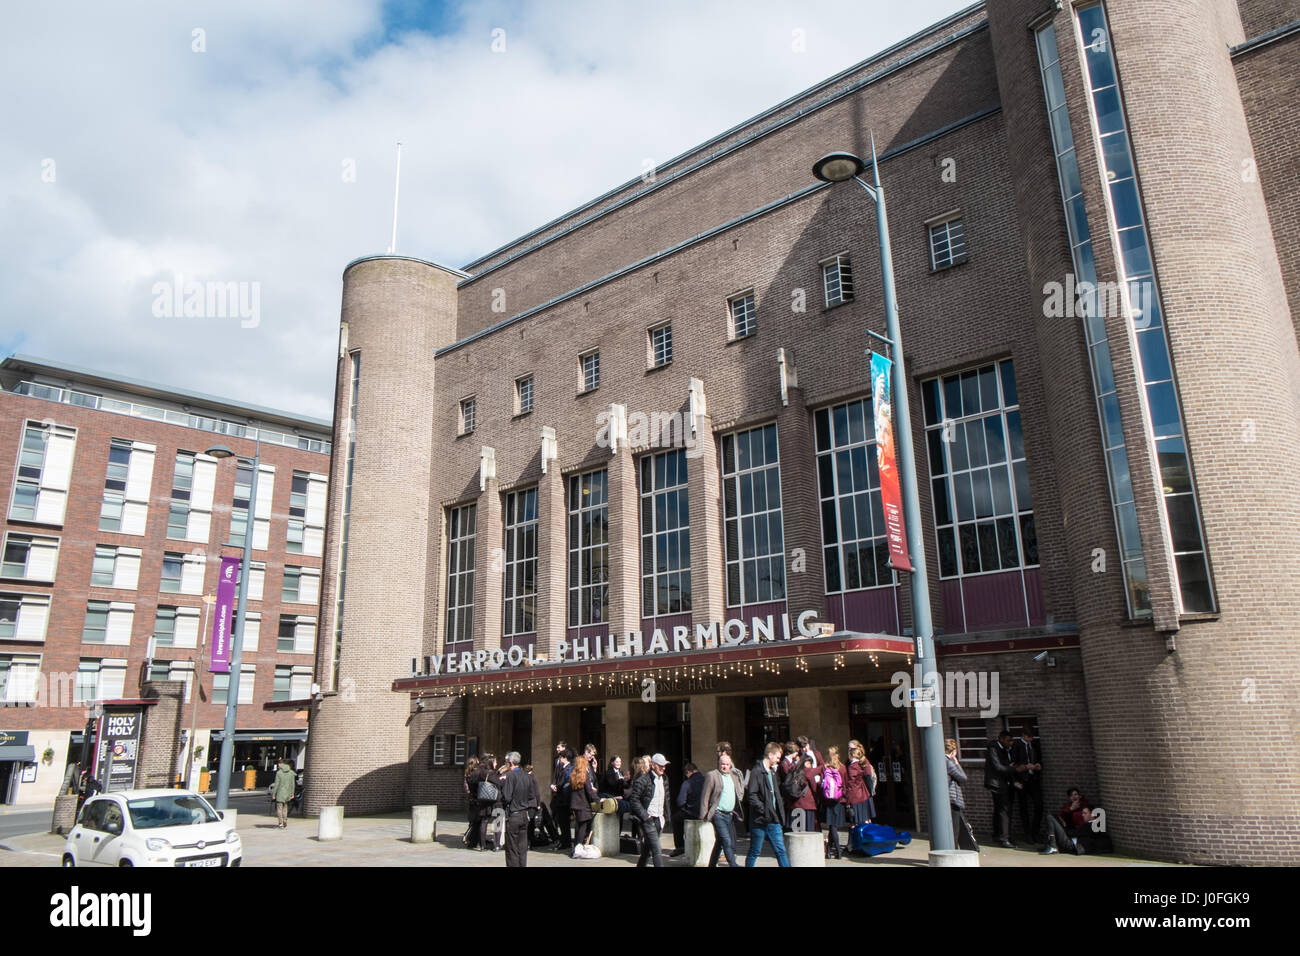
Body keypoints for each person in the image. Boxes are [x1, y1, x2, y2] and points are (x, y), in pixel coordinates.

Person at [745, 742, 791, 867]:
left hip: (773, 819)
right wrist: (764, 810)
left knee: (781, 851)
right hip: (760, 820)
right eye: (777, 757)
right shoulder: (757, 772)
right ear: (770, 755)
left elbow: (775, 794)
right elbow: (752, 795)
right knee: (755, 851)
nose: (778, 760)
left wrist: (778, 814)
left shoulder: (772, 772)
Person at [700, 752, 745, 867]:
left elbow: (738, 792)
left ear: (730, 765)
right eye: (722, 764)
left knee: (719, 842)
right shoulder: (712, 775)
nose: (724, 766)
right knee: (726, 840)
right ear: (718, 764)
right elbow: (705, 795)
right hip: (718, 813)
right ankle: (733, 864)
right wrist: (703, 815)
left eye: (727, 764)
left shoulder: (733, 776)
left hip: (729, 815)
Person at [628, 753, 671, 867]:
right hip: (648, 819)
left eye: (664, 765)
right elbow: (634, 800)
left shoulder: (664, 779)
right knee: (657, 850)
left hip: (659, 819)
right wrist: (645, 816)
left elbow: (666, 799)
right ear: (653, 765)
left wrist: (667, 817)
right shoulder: (643, 780)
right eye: (660, 765)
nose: (663, 768)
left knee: (646, 851)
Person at [501, 751, 537, 867]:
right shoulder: (527, 776)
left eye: (506, 763)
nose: (505, 765)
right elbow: (532, 796)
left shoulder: (510, 776)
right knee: (522, 847)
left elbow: (507, 797)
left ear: (511, 763)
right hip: (524, 815)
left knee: (512, 848)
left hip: (514, 815)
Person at [1011, 727, 1044, 845]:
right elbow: (1013, 764)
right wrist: (1025, 766)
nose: (1031, 740)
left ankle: (1035, 832)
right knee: (1023, 807)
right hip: (1022, 780)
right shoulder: (1016, 746)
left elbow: (1039, 758)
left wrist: (1038, 765)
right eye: (1029, 737)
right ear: (1024, 736)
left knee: (1039, 805)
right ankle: (1028, 834)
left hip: (1033, 778)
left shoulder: (1034, 744)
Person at [946, 738, 978, 852]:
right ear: (954, 751)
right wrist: (957, 762)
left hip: (948, 798)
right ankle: (953, 850)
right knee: (955, 828)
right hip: (952, 798)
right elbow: (963, 777)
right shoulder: (948, 762)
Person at [985, 730, 1016, 848]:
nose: (1011, 743)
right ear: (1001, 739)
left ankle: (998, 835)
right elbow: (998, 767)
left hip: (1003, 783)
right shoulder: (994, 749)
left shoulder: (1004, 749)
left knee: (999, 809)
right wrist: (1013, 769)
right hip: (997, 784)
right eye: (1008, 741)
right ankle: (1004, 838)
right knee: (1004, 810)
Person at [672, 762, 705, 857]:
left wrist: (685, 807)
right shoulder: (706, 779)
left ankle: (680, 846)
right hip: (705, 812)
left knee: (675, 819)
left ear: (688, 772)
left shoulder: (687, 783)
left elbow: (680, 801)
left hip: (692, 812)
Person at [820, 746, 848, 859]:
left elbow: (822, 784)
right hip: (839, 800)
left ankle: (833, 851)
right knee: (834, 826)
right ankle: (837, 852)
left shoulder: (825, 767)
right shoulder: (842, 768)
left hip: (828, 800)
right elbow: (845, 784)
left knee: (832, 826)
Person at [845, 740, 876, 829]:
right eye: (848, 747)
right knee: (864, 820)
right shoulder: (850, 762)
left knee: (859, 821)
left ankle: (863, 840)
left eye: (851, 748)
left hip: (860, 794)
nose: (849, 749)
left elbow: (868, 776)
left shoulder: (860, 762)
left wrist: (869, 790)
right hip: (863, 794)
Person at [552, 747, 574, 850]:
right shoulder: (564, 767)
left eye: (561, 757)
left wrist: (556, 787)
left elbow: (564, 783)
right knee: (563, 822)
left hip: (563, 800)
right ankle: (565, 841)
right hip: (562, 799)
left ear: (564, 758)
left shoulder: (568, 768)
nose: (559, 759)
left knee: (564, 822)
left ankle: (566, 842)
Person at [462, 756, 482, 848]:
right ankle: (468, 837)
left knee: (472, 821)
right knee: (477, 822)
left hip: (471, 799)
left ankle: (471, 841)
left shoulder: (467, 774)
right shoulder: (477, 774)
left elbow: (467, 789)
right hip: (477, 799)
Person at [272, 757, 295, 830]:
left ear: (280, 764)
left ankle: (280, 823)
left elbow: (276, 785)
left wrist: (273, 794)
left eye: (278, 764)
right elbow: (292, 784)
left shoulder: (279, 773)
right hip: (288, 793)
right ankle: (285, 820)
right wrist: (292, 793)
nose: (278, 766)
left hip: (280, 793)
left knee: (279, 809)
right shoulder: (291, 772)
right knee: (285, 808)